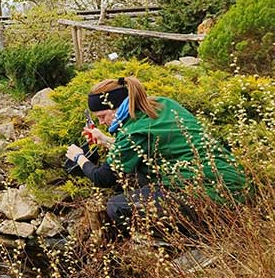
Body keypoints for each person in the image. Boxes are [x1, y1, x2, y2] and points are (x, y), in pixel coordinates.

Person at [65, 76, 247, 227]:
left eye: (102, 116)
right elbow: (141, 149)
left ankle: (178, 243)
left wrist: (79, 157)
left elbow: (103, 178)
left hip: (215, 194)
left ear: (116, 107)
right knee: (141, 175)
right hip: (235, 181)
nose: (102, 122)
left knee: (117, 207)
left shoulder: (133, 132)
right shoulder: (162, 104)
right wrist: (105, 141)